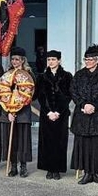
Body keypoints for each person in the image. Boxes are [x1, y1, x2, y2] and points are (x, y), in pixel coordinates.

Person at [70, 44, 98, 184]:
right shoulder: (79, 75)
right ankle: (86, 173)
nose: (87, 62)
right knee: (83, 144)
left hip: (97, 115)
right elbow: (73, 91)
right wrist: (83, 104)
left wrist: (94, 105)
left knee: (96, 144)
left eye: (89, 59)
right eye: (85, 59)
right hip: (82, 114)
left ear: (97, 60)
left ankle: (94, 173)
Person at [35, 49, 72, 180]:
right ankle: (49, 168)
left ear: (59, 61)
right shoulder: (42, 77)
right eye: (49, 60)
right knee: (47, 141)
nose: (51, 62)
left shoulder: (67, 76)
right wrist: (49, 112)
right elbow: (40, 96)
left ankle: (57, 169)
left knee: (60, 141)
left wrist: (58, 112)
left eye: (53, 60)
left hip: (61, 114)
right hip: (47, 114)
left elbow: (68, 96)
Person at [0, 47, 35, 178]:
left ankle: (23, 166)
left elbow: (32, 94)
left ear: (23, 60)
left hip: (23, 113)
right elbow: (2, 93)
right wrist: (9, 110)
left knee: (23, 140)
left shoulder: (29, 74)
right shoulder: (7, 74)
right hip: (9, 113)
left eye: (17, 59)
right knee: (11, 139)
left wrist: (20, 102)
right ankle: (13, 166)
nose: (14, 61)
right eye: (13, 59)